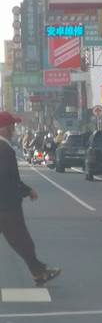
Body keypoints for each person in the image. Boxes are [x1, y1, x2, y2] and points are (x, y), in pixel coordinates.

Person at [0, 112, 60, 286]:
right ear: (5, 128)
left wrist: (27, 190)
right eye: (12, 126)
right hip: (7, 207)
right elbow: (6, 178)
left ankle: (39, 271)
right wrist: (24, 191)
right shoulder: (5, 150)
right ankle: (39, 272)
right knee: (23, 241)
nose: (14, 129)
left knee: (22, 241)